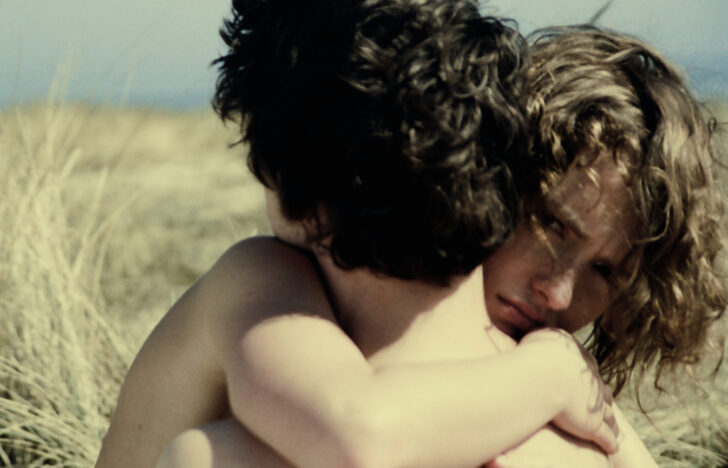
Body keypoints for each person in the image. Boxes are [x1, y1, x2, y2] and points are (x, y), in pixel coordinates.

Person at [97, 1, 722, 466]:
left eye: (607, 272)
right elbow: (359, 436)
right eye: (551, 225)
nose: (558, 294)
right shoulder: (265, 283)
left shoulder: (542, 381)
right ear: (494, 173)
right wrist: (550, 377)